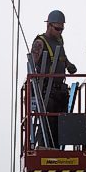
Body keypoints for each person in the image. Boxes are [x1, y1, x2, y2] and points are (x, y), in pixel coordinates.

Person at [31, 10, 77, 148]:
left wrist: (69, 65)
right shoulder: (40, 42)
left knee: (61, 124)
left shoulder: (59, 40)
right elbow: (33, 63)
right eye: (57, 28)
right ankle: (45, 148)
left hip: (59, 89)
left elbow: (62, 56)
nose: (60, 32)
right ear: (49, 25)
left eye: (62, 29)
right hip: (46, 90)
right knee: (48, 122)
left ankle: (57, 150)